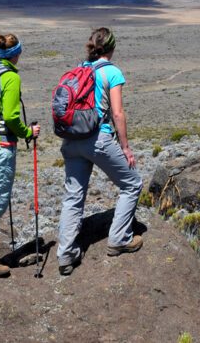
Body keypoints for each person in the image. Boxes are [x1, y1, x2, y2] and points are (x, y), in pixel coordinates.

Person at [57, 27, 143, 275]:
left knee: (73, 197)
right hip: (98, 139)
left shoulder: (79, 69)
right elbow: (117, 113)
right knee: (132, 184)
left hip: (71, 141)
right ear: (112, 48)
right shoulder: (111, 72)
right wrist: (125, 147)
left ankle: (65, 255)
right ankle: (119, 239)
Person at [0, 33, 41, 277]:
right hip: (1, 146)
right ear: (17, 53)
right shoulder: (10, 77)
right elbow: (13, 117)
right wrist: (28, 132)